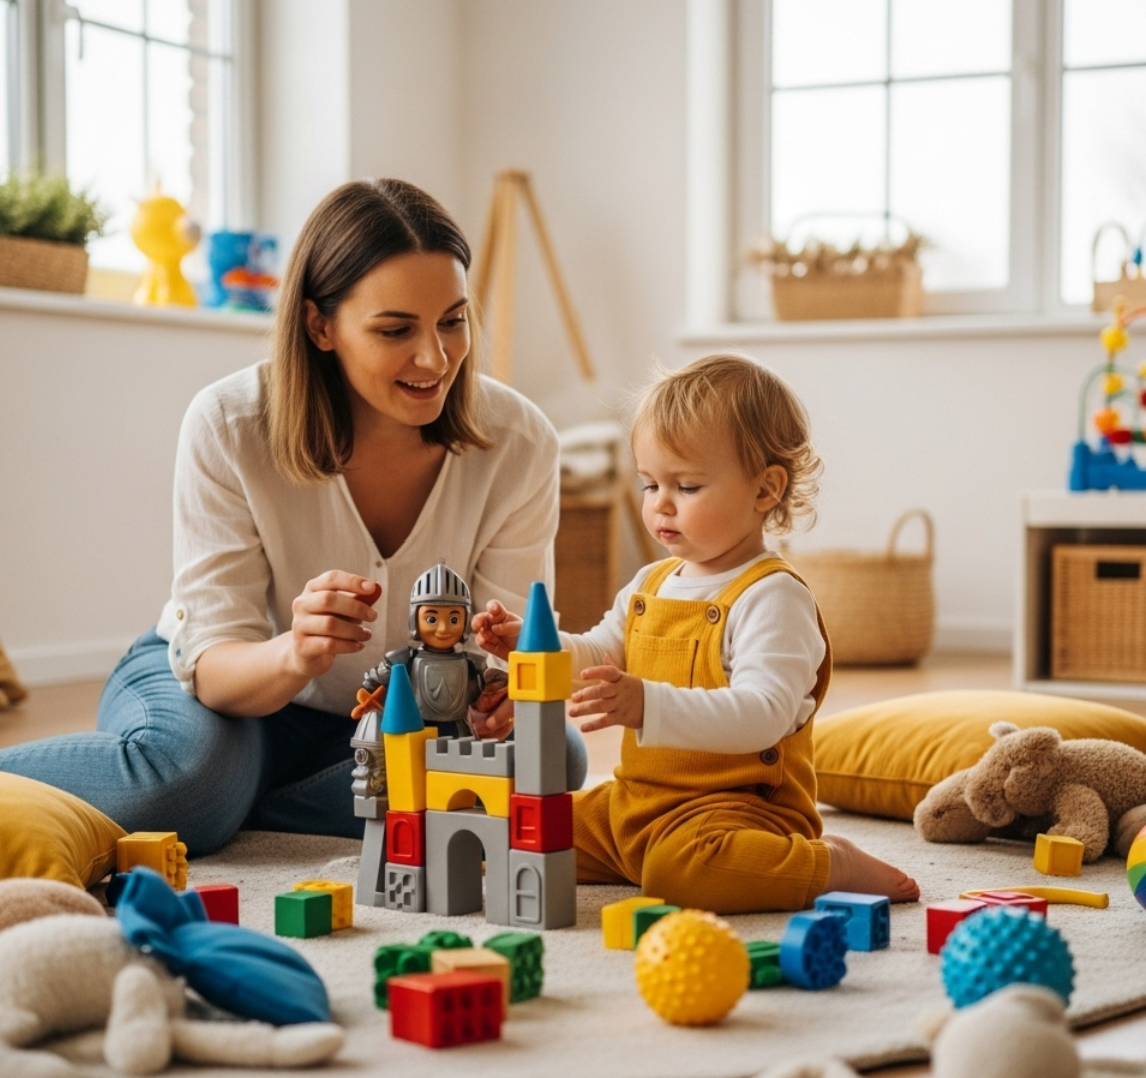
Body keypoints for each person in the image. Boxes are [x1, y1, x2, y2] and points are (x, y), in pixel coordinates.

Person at [0, 178, 587, 855]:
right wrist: (295, 652)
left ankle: (246, 805)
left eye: (452, 321)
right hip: (226, 689)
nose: (436, 358)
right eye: (396, 330)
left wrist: (503, 691)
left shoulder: (520, 440)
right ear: (319, 325)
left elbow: (498, 653)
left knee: (552, 759)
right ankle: (225, 793)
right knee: (183, 788)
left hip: (385, 716)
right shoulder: (229, 423)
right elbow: (215, 661)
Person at [474, 354, 919, 914]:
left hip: (737, 810)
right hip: (635, 806)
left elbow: (764, 713)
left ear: (765, 491)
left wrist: (645, 703)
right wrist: (536, 648)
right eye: (649, 483)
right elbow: (597, 653)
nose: (659, 503)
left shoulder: (772, 595)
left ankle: (827, 863)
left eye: (685, 485)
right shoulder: (652, 581)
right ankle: (637, 852)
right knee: (525, 828)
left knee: (685, 874)